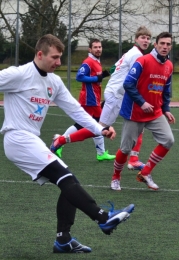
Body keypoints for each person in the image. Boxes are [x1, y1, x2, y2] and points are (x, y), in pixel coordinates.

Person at [0, 34, 134, 253]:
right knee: (66, 178)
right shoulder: (18, 74)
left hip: (31, 140)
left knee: (69, 182)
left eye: (60, 57)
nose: (59, 62)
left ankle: (63, 240)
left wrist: (99, 128)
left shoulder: (53, 81)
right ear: (40, 54)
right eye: (54, 57)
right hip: (17, 138)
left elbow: (75, 110)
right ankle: (103, 217)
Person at [50, 27, 152, 190]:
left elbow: (115, 69)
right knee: (104, 128)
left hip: (117, 93)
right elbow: (136, 79)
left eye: (148, 38)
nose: (146, 40)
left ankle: (132, 159)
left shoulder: (132, 53)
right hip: (118, 94)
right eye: (143, 37)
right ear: (136, 39)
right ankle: (132, 159)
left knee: (119, 126)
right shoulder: (136, 55)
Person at [111, 32, 175, 191]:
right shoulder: (143, 61)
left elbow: (166, 90)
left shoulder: (169, 66)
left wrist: (166, 109)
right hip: (135, 112)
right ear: (156, 44)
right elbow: (128, 84)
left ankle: (145, 173)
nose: (165, 47)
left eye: (168, 44)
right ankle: (116, 177)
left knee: (168, 140)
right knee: (125, 149)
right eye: (162, 43)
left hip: (155, 112)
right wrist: (142, 102)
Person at [52, 38, 115, 161]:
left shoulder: (97, 61)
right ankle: (59, 142)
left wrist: (101, 76)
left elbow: (96, 77)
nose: (98, 49)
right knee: (97, 124)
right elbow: (79, 77)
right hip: (89, 99)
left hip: (94, 99)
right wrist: (96, 78)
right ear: (90, 49)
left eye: (100, 47)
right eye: (95, 47)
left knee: (90, 124)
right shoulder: (88, 62)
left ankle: (60, 142)